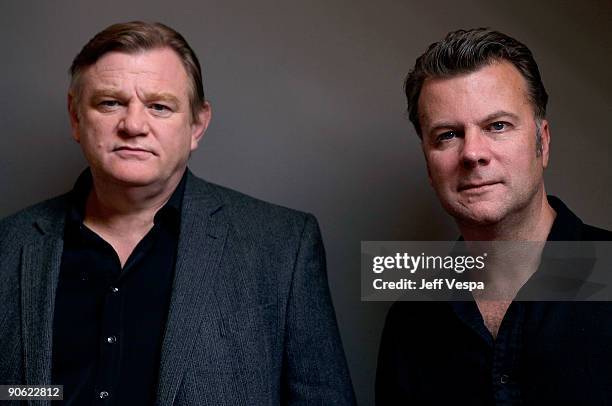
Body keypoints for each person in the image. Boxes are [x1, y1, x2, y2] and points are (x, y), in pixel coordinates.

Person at [0, 21, 356, 405]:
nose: (134, 125)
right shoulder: (9, 246)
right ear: (75, 117)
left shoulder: (282, 247)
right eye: (110, 103)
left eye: (159, 106)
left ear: (197, 125)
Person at [376, 28, 612, 405]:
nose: (472, 154)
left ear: (543, 142)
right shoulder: (410, 320)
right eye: (448, 135)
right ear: (427, 163)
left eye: (497, 126)